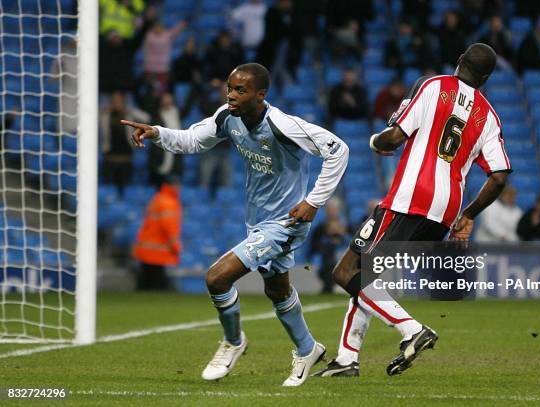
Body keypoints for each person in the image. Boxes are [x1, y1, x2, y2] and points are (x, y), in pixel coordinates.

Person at [121, 63, 349, 386]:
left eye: (240, 90)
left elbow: (338, 150)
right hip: (257, 221)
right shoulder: (228, 118)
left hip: (286, 222)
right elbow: (191, 141)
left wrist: (314, 201)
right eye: (229, 88)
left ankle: (233, 342)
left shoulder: (283, 125)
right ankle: (307, 348)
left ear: (261, 94)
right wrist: (158, 133)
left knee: (217, 278)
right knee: (277, 289)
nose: (231, 95)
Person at [314, 43, 512, 377]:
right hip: (446, 212)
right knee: (367, 279)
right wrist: (468, 215)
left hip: (409, 198)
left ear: (459, 60)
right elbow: (499, 175)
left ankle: (412, 330)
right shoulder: (489, 117)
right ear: (487, 77)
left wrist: (375, 142)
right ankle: (347, 359)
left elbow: (393, 138)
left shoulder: (433, 86)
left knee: (345, 273)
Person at [132, 178, 182, 290]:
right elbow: (169, 226)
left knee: (146, 281)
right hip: (158, 248)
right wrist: (175, 245)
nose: (180, 188)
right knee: (156, 283)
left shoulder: (158, 198)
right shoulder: (168, 202)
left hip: (147, 246)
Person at [100, 91, 149, 195]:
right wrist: (102, 111)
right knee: (108, 191)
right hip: (109, 157)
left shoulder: (129, 114)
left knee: (126, 189)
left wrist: (131, 112)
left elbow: (147, 118)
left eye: (119, 100)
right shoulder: (105, 114)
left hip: (126, 157)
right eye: (114, 100)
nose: (116, 103)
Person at [308, 197, 347, 294]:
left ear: (338, 210)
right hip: (326, 257)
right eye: (329, 209)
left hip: (342, 255)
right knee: (328, 260)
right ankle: (330, 285)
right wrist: (329, 242)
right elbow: (314, 246)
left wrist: (342, 236)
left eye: (334, 209)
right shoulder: (320, 228)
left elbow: (352, 242)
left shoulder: (345, 226)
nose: (332, 212)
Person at [148, 93, 183, 187]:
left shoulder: (177, 113)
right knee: (157, 189)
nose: (167, 102)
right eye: (165, 99)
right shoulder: (156, 115)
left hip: (175, 158)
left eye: (169, 99)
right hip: (159, 157)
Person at [143, 19, 187, 92]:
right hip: (150, 68)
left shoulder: (167, 35)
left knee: (162, 90)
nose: (158, 29)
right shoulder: (148, 36)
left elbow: (176, 30)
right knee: (150, 89)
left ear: (163, 28)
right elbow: (140, 28)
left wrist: (183, 23)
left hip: (163, 69)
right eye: (156, 27)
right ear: (153, 28)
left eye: (160, 27)